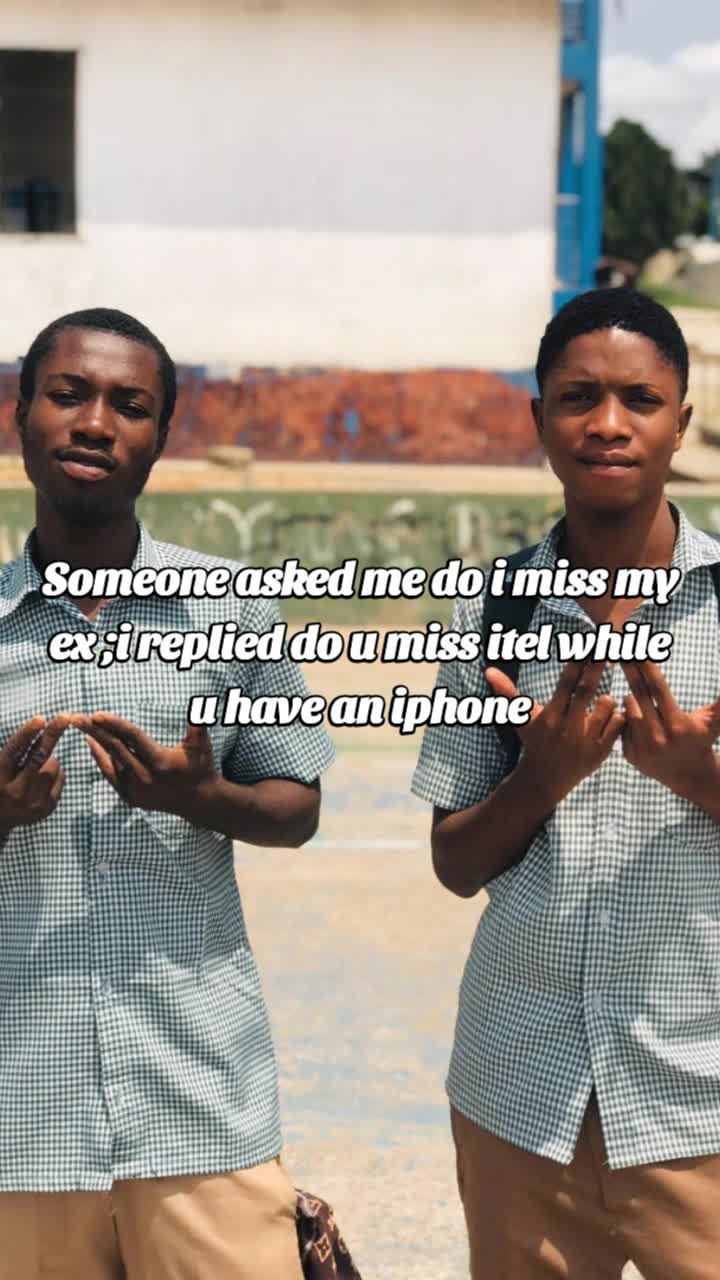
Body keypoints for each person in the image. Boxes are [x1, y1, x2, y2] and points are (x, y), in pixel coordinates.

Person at [0, 308, 335, 1280]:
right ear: (21, 414)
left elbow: (298, 804)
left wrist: (202, 797)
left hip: (202, 1102)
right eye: (68, 394)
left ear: (161, 434)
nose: (95, 423)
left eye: (130, 405)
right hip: (22, 1113)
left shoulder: (231, 607)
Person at [412, 288, 720, 1279]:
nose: (609, 423)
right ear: (539, 417)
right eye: (580, 397)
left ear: (682, 418)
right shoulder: (493, 612)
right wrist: (538, 780)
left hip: (701, 1100)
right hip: (520, 1093)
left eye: (641, 399)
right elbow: (455, 861)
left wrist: (700, 779)